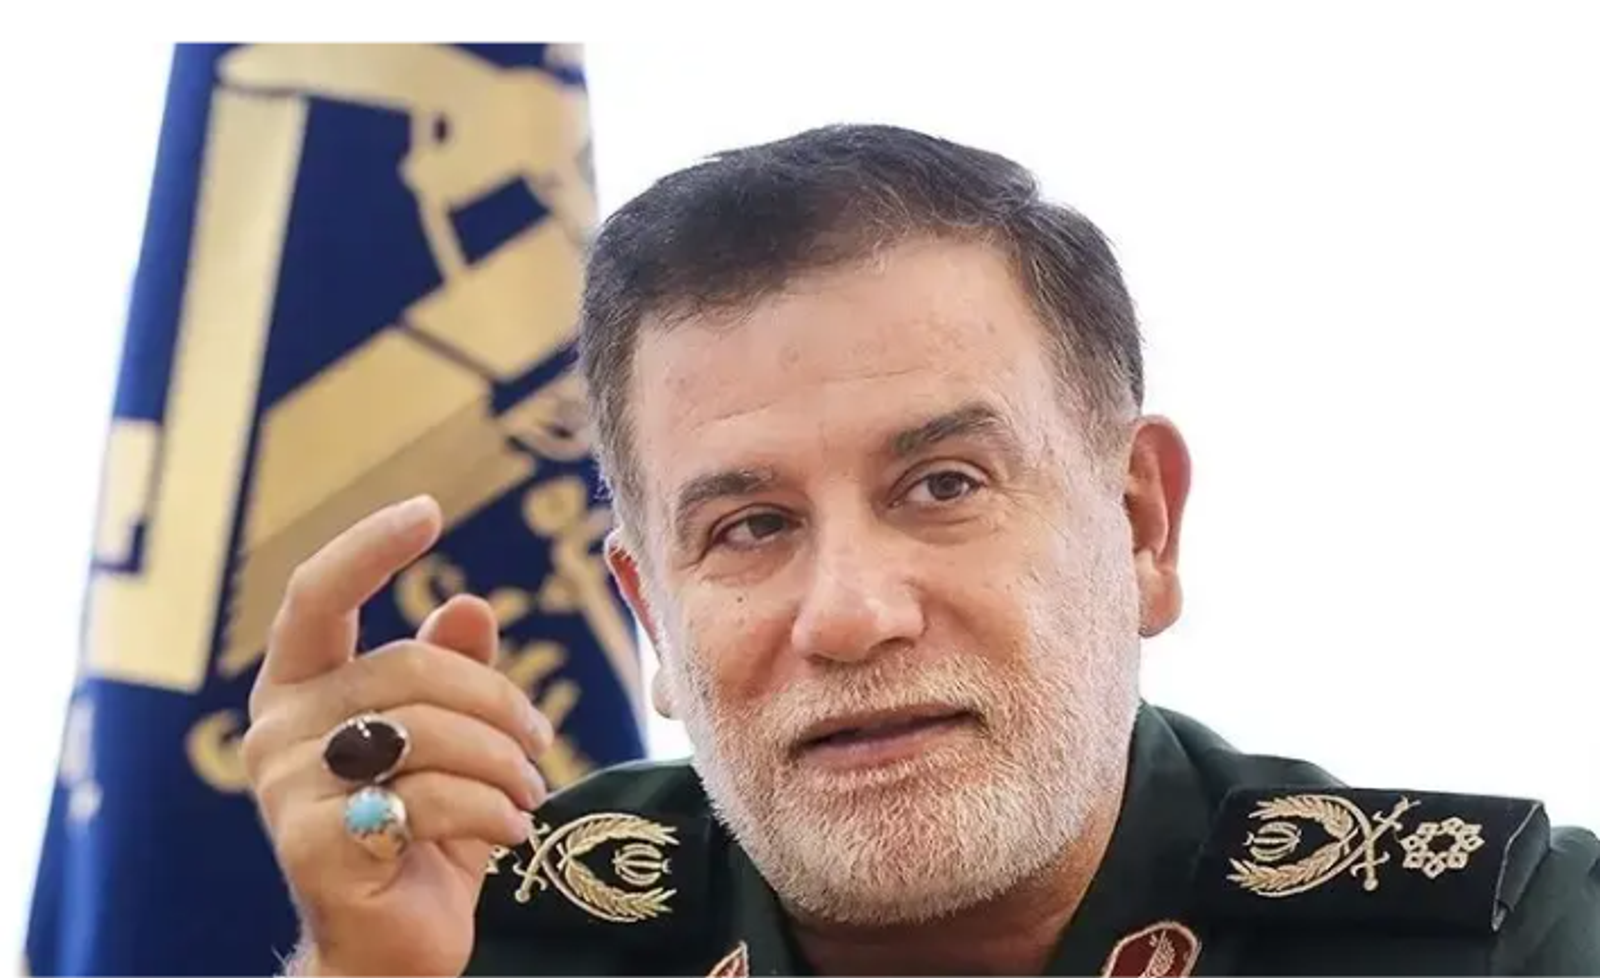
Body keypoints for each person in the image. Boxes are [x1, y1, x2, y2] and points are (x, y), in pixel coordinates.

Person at [243, 124, 1599, 976]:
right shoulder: (489, 935)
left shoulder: (1506, 940)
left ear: (1141, 525)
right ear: (652, 614)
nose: (848, 613)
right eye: (750, 526)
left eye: (944, 485)